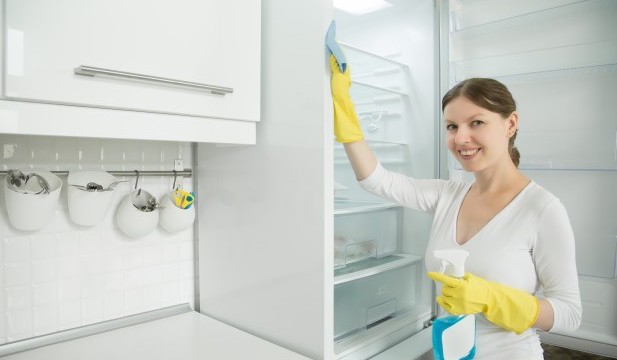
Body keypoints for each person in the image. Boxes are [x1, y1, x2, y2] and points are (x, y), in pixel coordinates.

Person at [329, 54, 582, 359]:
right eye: (451, 126)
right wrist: (342, 102)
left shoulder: (542, 209)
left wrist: (491, 298)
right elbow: (376, 180)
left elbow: (569, 313)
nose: (461, 138)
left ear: (510, 124)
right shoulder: (447, 195)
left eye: (476, 122)